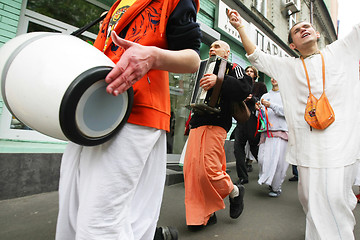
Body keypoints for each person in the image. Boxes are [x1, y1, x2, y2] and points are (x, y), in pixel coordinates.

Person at [55, 0, 202, 239]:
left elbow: (193, 59)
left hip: (136, 113)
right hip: (92, 112)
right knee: (72, 213)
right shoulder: (116, 4)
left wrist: (152, 57)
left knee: (99, 224)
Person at [227, 9, 360, 239]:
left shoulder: (340, 51)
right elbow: (256, 56)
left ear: (317, 34)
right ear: (293, 45)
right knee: (309, 198)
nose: (303, 29)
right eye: (297, 30)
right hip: (308, 147)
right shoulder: (288, 67)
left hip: (339, 144)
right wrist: (240, 27)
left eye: (307, 27)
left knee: (333, 198)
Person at [183, 40, 252, 229]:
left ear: (227, 52)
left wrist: (219, 81)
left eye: (217, 46)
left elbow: (245, 88)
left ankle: (235, 191)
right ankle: (202, 215)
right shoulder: (202, 67)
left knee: (209, 170)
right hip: (198, 123)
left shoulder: (233, 67)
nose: (212, 49)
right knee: (191, 173)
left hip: (216, 122)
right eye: (211, 46)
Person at [233, 65, 267, 184]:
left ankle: (267, 173)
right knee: (238, 148)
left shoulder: (259, 86)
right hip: (240, 119)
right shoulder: (240, 84)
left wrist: (251, 98)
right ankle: (243, 177)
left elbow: (263, 101)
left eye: (251, 71)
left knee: (254, 148)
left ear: (255, 74)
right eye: (246, 71)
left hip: (253, 119)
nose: (248, 73)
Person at [256, 78, 288, 197]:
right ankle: (267, 179)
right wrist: (259, 110)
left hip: (281, 131)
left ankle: (276, 187)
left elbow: (288, 112)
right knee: (262, 159)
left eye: (277, 76)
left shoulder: (286, 95)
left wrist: (271, 105)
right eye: (272, 76)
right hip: (266, 132)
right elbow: (261, 115)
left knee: (279, 163)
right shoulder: (265, 95)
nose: (274, 79)